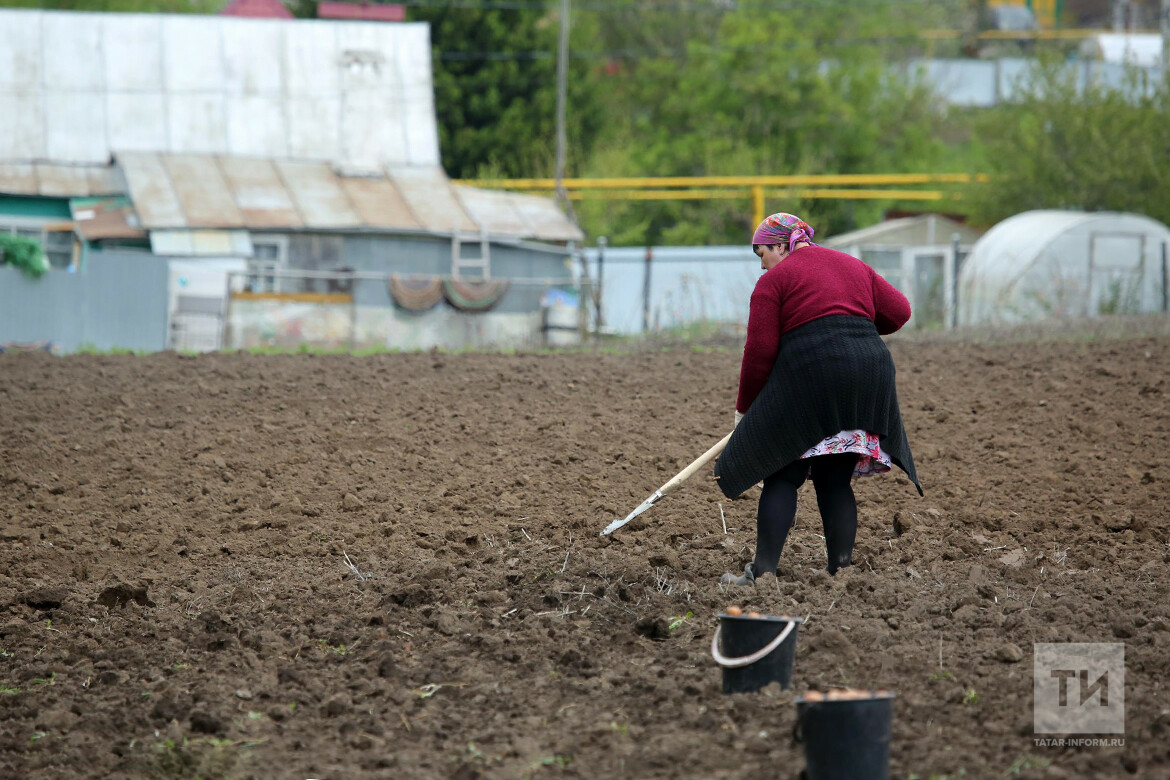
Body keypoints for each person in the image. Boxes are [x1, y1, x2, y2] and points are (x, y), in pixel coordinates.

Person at [714, 212, 922, 586]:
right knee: (833, 478)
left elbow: (760, 352)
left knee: (783, 474)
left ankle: (762, 574)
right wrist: (853, 328)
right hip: (869, 372)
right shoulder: (853, 265)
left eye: (761, 253)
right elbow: (900, 312)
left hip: (813, 373)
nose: (761, 264)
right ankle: (841, 570)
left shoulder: (774, 282)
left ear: (780, 245)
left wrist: (744, 409)